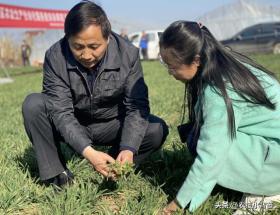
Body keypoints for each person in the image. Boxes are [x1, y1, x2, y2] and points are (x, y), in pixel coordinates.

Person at [22, 1, 168, 189]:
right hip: (74, 122)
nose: (86, 55)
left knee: (156, 130)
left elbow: (136, 106)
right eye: (78, 47)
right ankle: (58, 175)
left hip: (112, 124)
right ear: (68, 39)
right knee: (33, 105)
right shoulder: (55, 56)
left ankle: (115, 164)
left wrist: (129, 148)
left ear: (107, 38)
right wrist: (88, 152)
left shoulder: (128, 54)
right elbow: (61, 112)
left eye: (94, 46)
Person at [158, 21, 280, 214]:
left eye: (173, 67)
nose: (170, 73)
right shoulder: (222, 62)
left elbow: (211, 155)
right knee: (196, 135)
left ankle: (266, 191)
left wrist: (178, 203)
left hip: (275, 161)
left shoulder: (218, 91)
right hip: (271, 149)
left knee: (205, 142)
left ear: (196, 60)